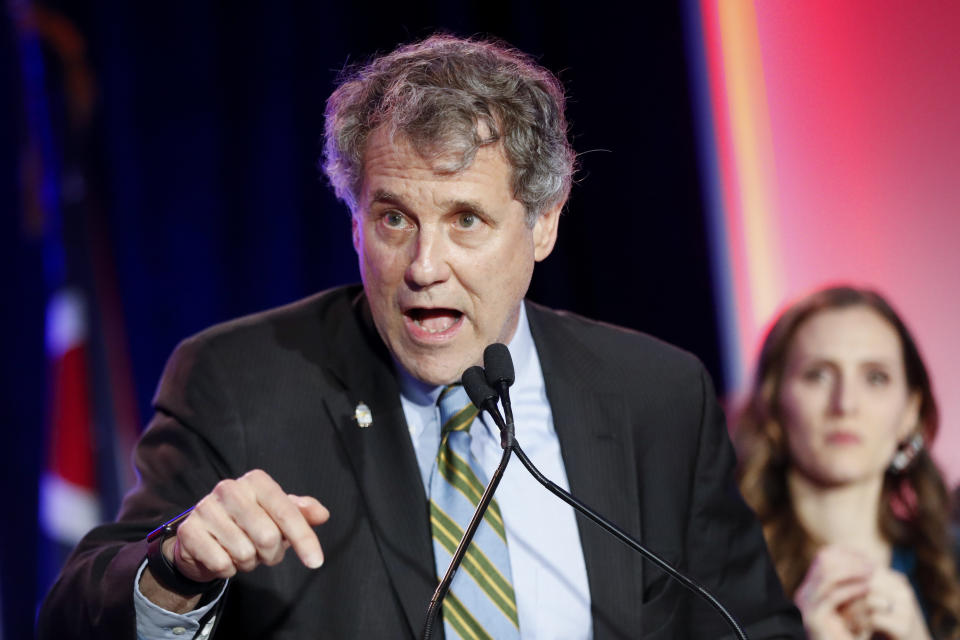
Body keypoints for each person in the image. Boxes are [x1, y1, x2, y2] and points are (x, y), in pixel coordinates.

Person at [37, 35, 803, 638]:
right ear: (354, 217)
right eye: (394, 218)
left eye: (466, 220)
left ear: (543, 223)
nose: (423, 267)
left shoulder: (656, 396)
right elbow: (74, 616)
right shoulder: (238, 382)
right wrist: (177, 568)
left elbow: (750, 628)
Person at [735, 285, 960, 639]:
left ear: (910, 411)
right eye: (818, 375)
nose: (846, 404)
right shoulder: (719, 580)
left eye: (875, 377)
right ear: (773, 403)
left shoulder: (953, 565)